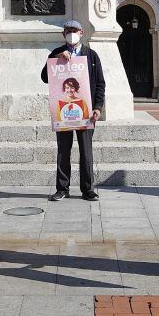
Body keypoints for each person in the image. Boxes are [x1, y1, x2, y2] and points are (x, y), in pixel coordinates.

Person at [40, 20, 106, 202]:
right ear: (63, 34)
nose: (71, 33)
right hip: (63, 112)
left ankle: (88, 189)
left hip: (86, 112)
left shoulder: (91, 56)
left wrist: (98, 108)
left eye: (74, 30)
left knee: (86, 152)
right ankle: (62, 188)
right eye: (68, 31)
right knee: (63, 150)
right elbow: (45, 77)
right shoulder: (56, 54)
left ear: (81, 33)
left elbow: (100, 84)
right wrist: (57, 60)